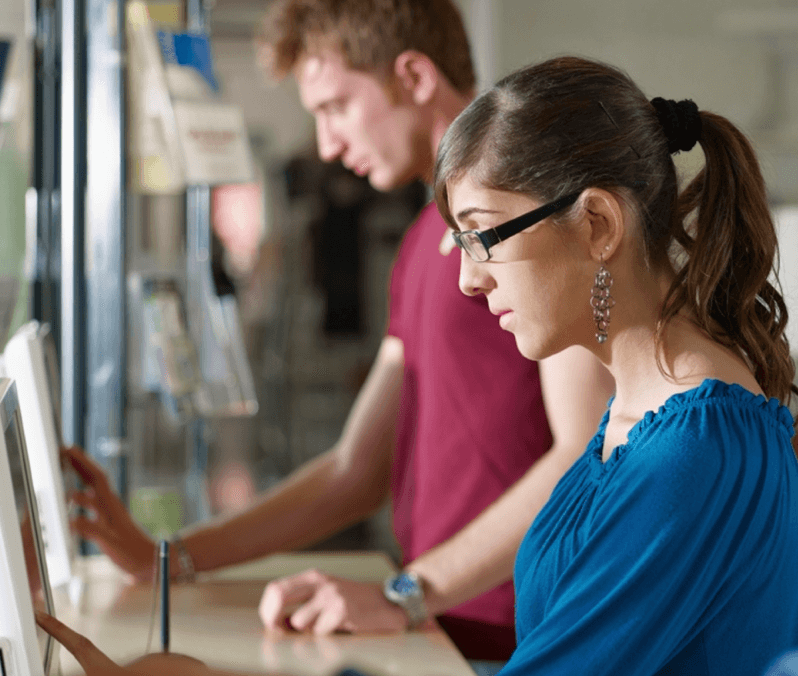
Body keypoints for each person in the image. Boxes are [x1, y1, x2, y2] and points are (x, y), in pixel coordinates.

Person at [63, 0, 611, 668]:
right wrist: (173, 558)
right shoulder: (421, 244)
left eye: (335, 107)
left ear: (412, 78)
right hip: (439, 628)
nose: (325, 144)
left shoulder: (521, 226)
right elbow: (354, 470)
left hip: (520, 637)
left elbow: (583, 449)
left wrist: (408, 594)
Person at [430, 55, 798, 674]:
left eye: (483, 235)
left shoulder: (691, 449)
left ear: (598, 224)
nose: (468, 278)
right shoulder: (640, 413)